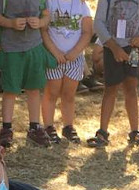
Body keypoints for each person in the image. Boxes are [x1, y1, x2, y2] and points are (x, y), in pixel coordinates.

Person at [87, 0, 139, 147]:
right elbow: (98, 23)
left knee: (131, 88)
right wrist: (114, 47)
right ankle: (103, 132)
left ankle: (135, 131)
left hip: (134, 48)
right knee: (110, 88)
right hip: (111, 47)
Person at [0, 0, 56, 147]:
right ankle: (6, 129)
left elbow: (46, 16)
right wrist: (11, 23)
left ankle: (34, 127)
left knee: (33, 88)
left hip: (34, 46)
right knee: (10, 89)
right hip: (11, 48)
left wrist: (39, 22)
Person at [40, 0, 93, 144]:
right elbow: (43, 30)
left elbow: (87, 32)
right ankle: (48, 127)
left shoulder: (82, 5)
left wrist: (75, 52)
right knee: (51, 92)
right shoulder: (48, 3)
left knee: (69, 94)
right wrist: (55, 52)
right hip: (53, 57)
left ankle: (68, 127)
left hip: (74, 59)